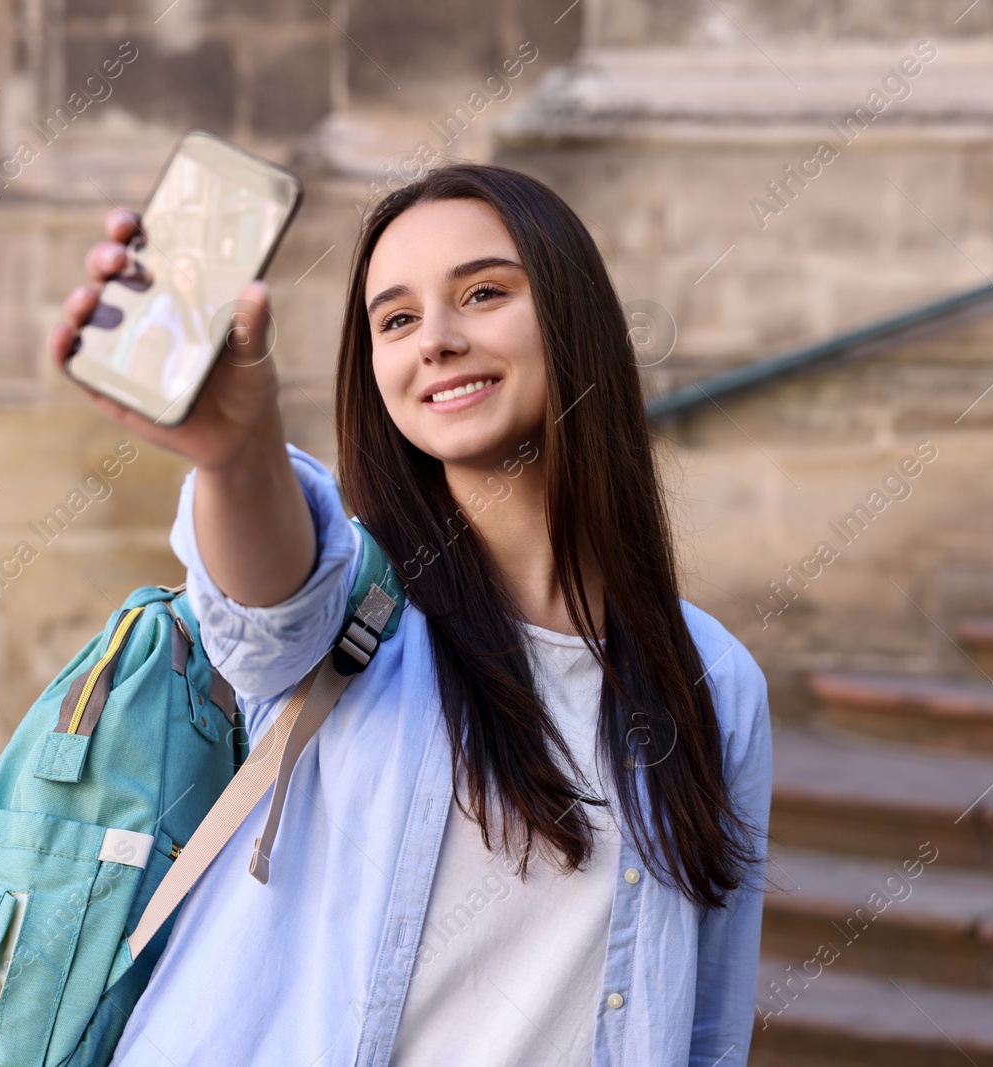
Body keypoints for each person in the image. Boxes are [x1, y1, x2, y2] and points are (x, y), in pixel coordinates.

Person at [49, 163, 772, 1067]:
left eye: (482, 292)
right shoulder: (359, 607)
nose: (435, 339)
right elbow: (264, 600)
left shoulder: (714, 680)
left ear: (573, 317)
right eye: (395, 319)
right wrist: (238, 452)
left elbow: (707, 1022)